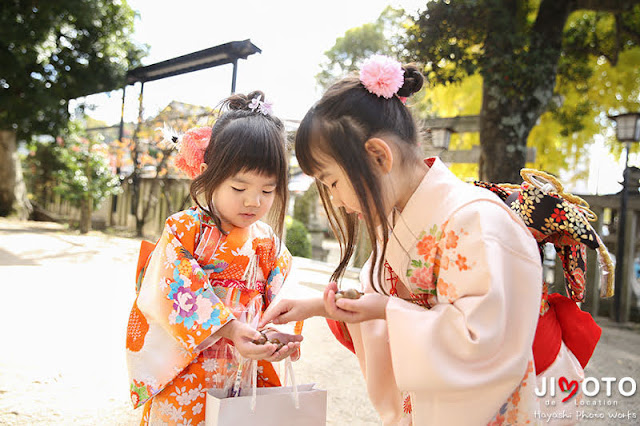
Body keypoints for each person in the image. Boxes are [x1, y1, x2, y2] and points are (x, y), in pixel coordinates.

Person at [260, 55, 543, 425]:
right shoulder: (396, 218)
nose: (338, 202)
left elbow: (480, 344)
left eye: (332, 182)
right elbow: (387, 305)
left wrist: (385, 311)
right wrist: (317, 307)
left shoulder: (476, 219)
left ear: (378, 156)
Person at [126, 91, 303, 425]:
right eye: (239, 188)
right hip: (188, 371)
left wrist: (279, 336)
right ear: (209, 173)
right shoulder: (184, 229)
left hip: (244, 369)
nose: (253, 201)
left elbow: (282, 298)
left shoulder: (268, 242)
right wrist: (229, 327)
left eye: (268, 190)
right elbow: (165, 290)